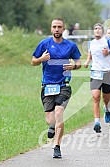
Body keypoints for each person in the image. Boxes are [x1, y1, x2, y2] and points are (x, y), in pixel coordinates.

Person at [31, 18, 81, 158]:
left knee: (59, 112)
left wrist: (74, 66)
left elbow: (80, 63)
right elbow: (33, 61)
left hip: (63, 85)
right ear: (51, 28)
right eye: (54, 27)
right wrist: (41, 59)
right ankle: (52, 126)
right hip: (47, 85)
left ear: (63, 28)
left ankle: (57, 146)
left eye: (59, 27)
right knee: (50, 118)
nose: (57, 29)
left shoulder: (70, 46)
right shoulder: (44, 44)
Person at [84, 23, 110, 133]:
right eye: (95, 29)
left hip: (107, 73)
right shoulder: (91, 43)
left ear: (102, 31)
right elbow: (90, 55)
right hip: (95, 73)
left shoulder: (108, 41)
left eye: (99, 29)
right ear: (93, 31)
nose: (97, 30)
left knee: (106, 98)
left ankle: (106, 108)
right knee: (96, 96)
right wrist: (87, 62)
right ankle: (97, 122)